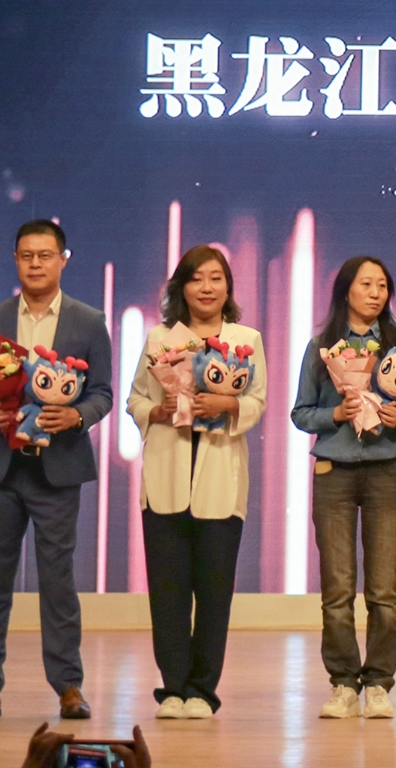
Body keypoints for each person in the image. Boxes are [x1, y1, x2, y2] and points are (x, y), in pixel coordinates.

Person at [0, 219, 113, 723]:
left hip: (58, 470)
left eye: (45, 255)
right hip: (3, 471)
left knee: (58, 582)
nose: (36, 264)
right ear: (16, 261)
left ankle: (68, 686)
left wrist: (77, 416)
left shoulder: (88, 321)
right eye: (27, 255)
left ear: (62, 260)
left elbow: (103, 393)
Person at [125, 244, 267, 720]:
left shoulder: (247, 339)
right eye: (196, 279)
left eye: (215, 278)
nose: (206, 288)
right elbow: (136, 400)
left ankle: (203, 690)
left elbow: (259, 401)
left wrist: (228, 405)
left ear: (228, 288)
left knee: (213, 592)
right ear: (181, 288)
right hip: (165, 476)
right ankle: (173, 688)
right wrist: (157, 411)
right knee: (167, 592)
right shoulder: (159, 338)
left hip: (220, 481)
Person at [290, 256, 396, 720]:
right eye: (366, 284)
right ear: (346, 289)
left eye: (382, 285)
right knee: (338, 588)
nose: (375, 293)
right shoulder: (321, 346)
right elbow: (301, 412)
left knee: (383, 591)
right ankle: (344, 683)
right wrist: (335, 415)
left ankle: (379, 683)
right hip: (335, 473)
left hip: (386, 471)